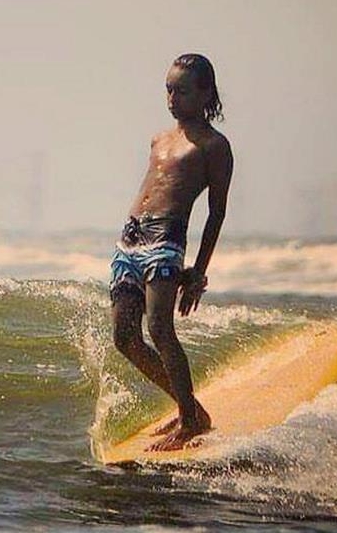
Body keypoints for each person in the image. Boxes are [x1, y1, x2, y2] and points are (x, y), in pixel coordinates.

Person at [110, 53, 233, 451]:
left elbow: (216, 214)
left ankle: (189, 422)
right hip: (130, 240)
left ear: (205, 93)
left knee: (160, 329)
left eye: (181, 91)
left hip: (166, 242)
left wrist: (197, 271)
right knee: (124, 338)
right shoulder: (159, 139)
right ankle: (191, 410)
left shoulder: (215, 146)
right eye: (168, 89)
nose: (172, 98)